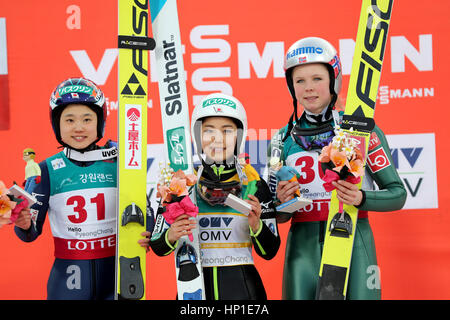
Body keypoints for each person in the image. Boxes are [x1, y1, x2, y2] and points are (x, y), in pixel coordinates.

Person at [267, 37, 407, 300]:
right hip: (302, 249)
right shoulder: (281, 140)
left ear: (334, 80)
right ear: (290, 86)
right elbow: (277, 216)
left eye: (317, 79)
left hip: (355, 244)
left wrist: (362, 198)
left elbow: (397, 194)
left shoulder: (361, 131)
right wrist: (280, 204)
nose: (308, 88)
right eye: (300, 81)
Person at [13, 77, 147, 300]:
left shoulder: (120, 163)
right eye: (69, 120)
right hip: (68, 281)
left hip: (119, 274)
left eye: (87, 119)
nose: (78, 128)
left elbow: (143, 208)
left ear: (100, 122)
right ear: (57, 124)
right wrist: (24, 223)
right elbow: (30, 232)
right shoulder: (45, 170)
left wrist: (148, 232)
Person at [149, 93, 280, 300]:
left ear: (240, 135)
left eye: (227, 130)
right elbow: (158, 245)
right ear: (197, 135)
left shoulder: (253, 183)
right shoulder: (181, 185)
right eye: (208, 130)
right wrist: (171, 235)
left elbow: (270, 251)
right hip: (193, 290)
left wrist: (257, 226)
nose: (217, 138)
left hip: (244, 292)